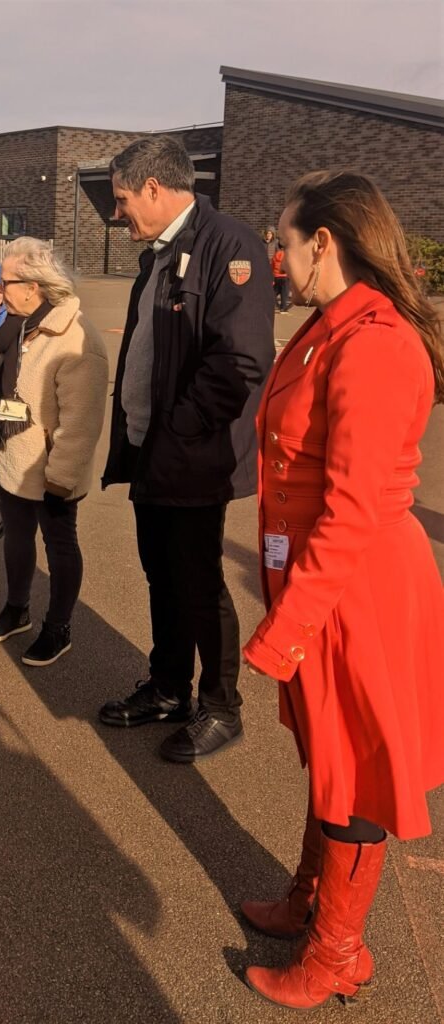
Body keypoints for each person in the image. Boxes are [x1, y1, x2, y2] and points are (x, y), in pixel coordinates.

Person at [240, 170, 444, 1010]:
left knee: (353, 770)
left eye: (282, 242)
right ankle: (309, 899)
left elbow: (352, 509)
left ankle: (335, 955)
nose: (275, 259)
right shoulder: (332, 326)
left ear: (322, 243)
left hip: (358, 590)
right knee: (330, 756)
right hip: (327, 582)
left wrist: (284, 628)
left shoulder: (374, 341)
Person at [99, 136, 275, 762]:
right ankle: (170, 687)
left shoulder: (229, 245)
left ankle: (222, 707)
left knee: (198, 581)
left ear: (153, 188)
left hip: (194, 454)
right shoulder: (159, 254)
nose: (118, 213)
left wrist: (181, 426)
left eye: (122, 199)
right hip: (152, 449)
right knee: (161, 574)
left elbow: (241, 361)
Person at [0, 238, 108, 666]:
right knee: (16, 539)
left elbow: (80, 424)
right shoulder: (16, 326)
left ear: (33, 287)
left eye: (6, 282)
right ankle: (17, 608)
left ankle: (58, 627)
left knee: (60, 546)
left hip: (51, 469)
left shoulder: (76, 338)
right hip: (11, 459)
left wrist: (60, 477)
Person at [271, 245, 291, 312]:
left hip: (276, 276)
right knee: (284, 293)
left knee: (274, 292)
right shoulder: (287, 255)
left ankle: (275, 305)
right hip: (285, 276)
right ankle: (283, 308)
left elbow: (272, 265)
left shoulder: (275, 255)